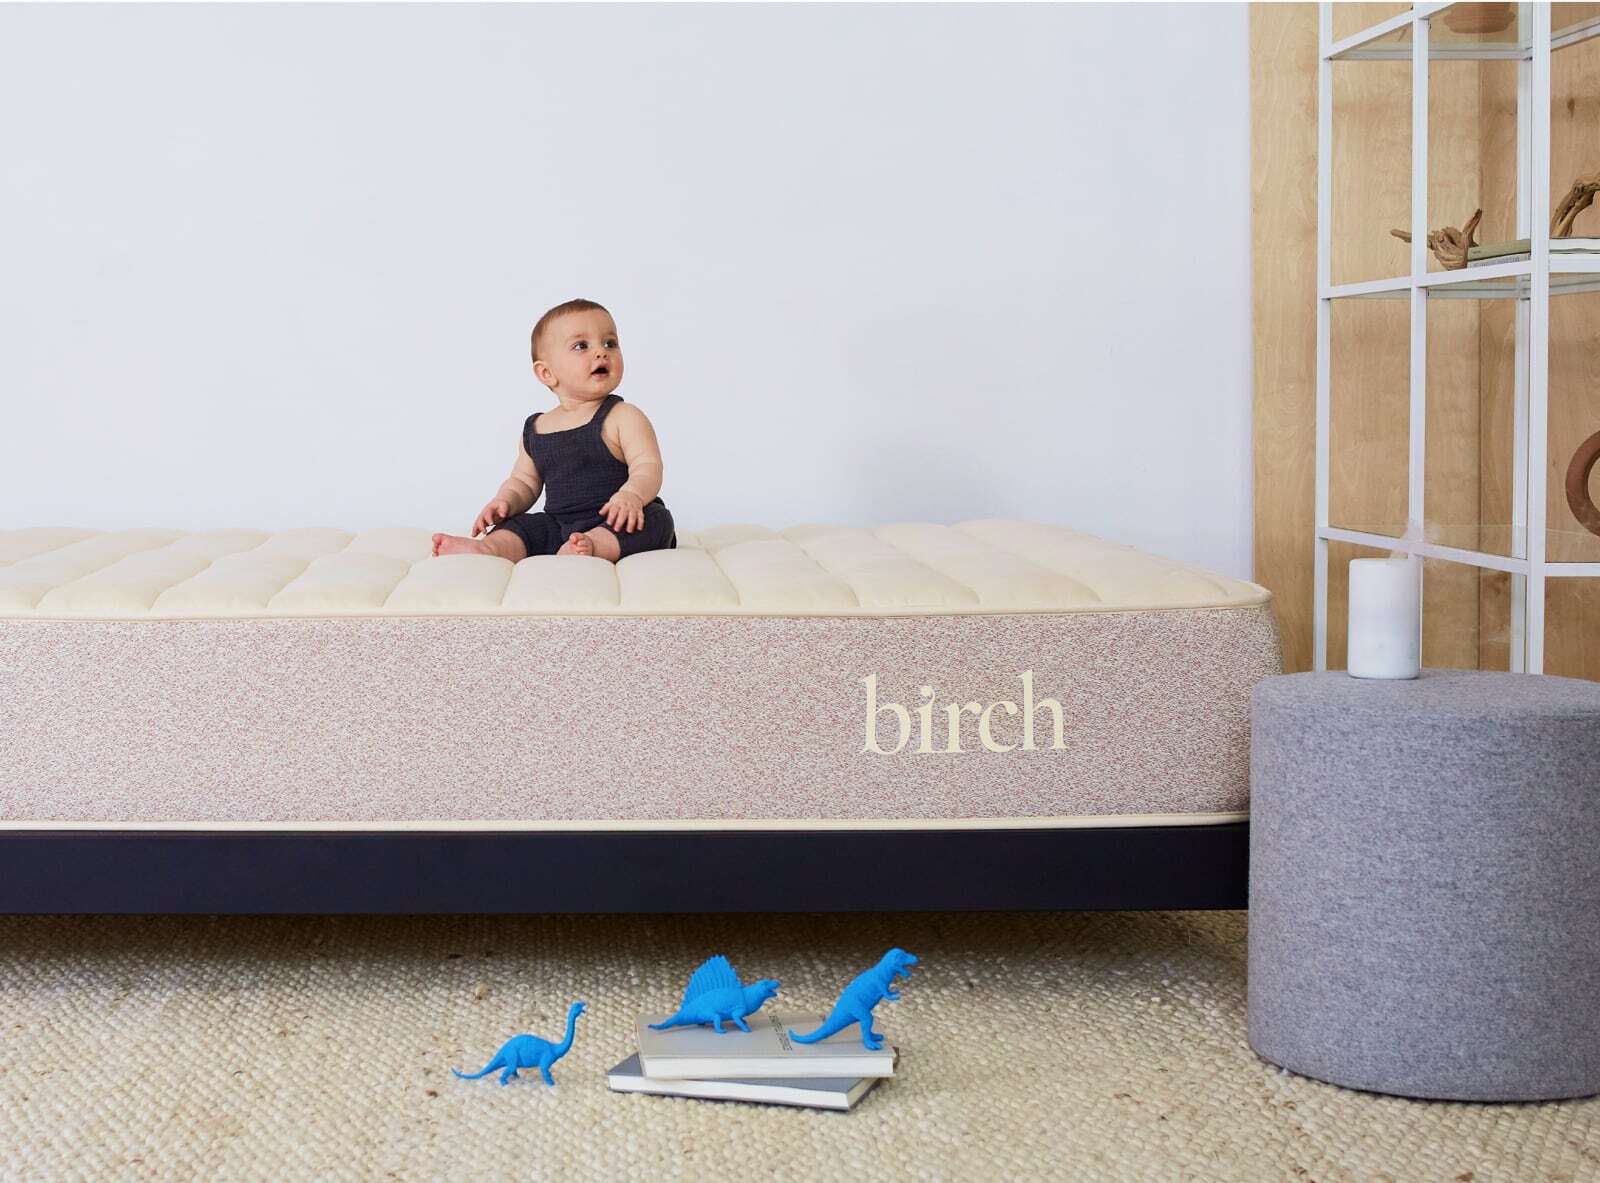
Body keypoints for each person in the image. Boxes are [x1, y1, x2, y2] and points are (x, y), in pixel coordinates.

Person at [430, 298, 676, 562]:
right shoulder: (537, 428)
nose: (601, 352)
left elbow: (648, 465)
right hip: (559, 525)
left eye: (610, 343)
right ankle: (488, 549)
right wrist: (504, 501)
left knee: (656, 519)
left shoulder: (623, 416)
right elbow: (524, 482)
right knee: (521, 525)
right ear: (547, 373)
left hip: (616, 519)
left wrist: (632, 496)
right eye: (582, 346)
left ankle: (593, 545)